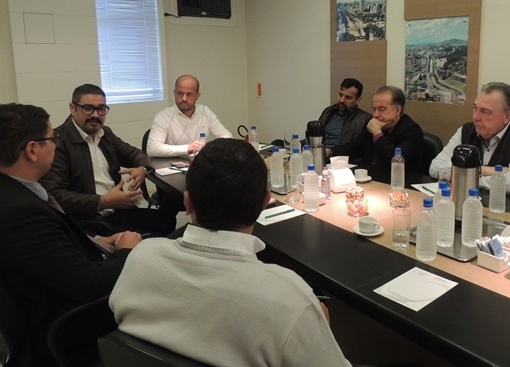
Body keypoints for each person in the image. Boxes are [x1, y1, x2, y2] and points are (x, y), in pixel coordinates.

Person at [110, 138, 351, 366]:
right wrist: (316, 326)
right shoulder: (291, 299)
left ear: (187, 202)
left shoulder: (140, 258)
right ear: (264, 202)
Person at [0, 103, 141, 366]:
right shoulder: (21, 213)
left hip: (57, 287)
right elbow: (90, 285)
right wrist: (126, 252)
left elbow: (49, 251)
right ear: (32, 150)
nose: (56, 145)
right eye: (51, 139)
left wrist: (95, 242)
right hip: (68, 324)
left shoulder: (17, 190)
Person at [41, 84, 176, 236]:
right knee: (153, 237)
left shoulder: (105, 134)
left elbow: (136, 155)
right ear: (73, 108)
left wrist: (142, 169)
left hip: (118, 210)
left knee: (167, 221)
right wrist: (102, 201)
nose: (95, 115)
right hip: (87, 220)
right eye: (88, 108)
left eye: (101, 109)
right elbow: (55, 196)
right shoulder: (58, 142)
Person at [429, 82, 510, 194]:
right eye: (475, 108)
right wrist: (486, 171)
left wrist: (466, 176)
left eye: (485, 112)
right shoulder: (466, 131)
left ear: (507, 116)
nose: (476, 117)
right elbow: (435, 167)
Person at [331, 85, 424, 181]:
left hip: (400, 183)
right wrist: (330, 152)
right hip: (371, 179)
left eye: (382, 109)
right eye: (374, 109)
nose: (375, 115)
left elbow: (395, 160)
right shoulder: (372, 124)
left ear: (397, 110)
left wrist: (377, 134)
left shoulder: (412, 131)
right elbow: (355, 147)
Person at [147, 74, 232, 157]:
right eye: (180, 93)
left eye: (189, 95)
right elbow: (152, 148)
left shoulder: (205, 112)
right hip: (173, 164)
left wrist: (207, 147)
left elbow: (228, 138)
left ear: (197, 96)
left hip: (201, 162)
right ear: (174, 93)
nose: (184, 99)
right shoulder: (163, 116)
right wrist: (188, 149)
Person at [320, 78, 372, 152]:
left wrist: (332, 152)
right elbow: (315, 137)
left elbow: (358, 149)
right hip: (320, 154)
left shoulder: (365, 119)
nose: (342, 100)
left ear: (358, 100)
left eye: (348, 97)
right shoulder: (328, 111)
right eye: (340, 95)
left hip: (343, 157)